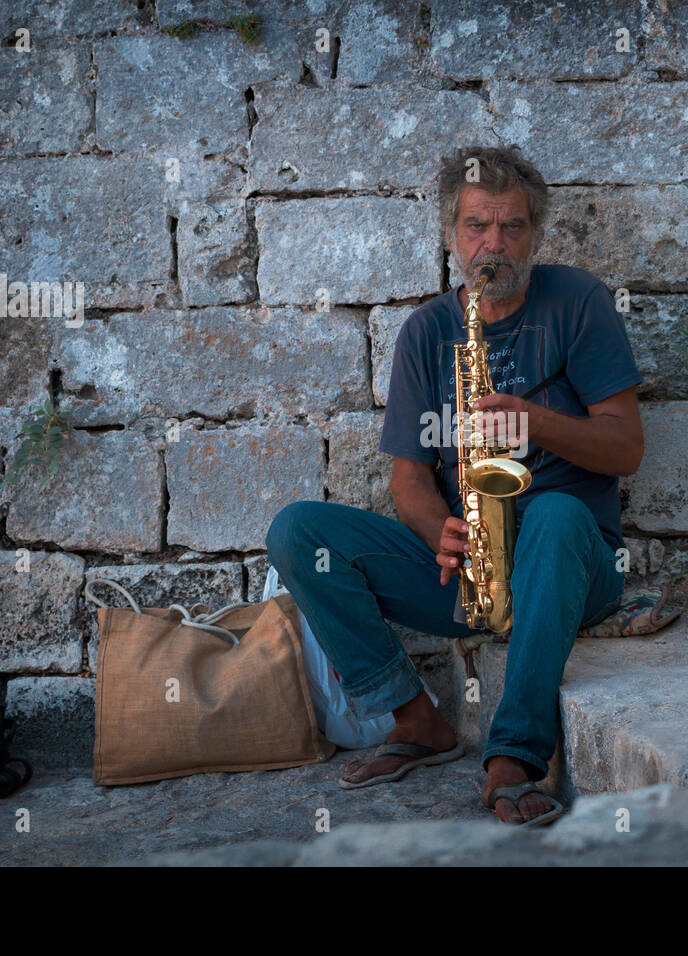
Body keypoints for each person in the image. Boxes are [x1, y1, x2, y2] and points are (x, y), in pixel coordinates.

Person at [265, 145, 644, 825]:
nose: (493, 244)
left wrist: (536, 421)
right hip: (475, 571)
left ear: (535, 233)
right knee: (299, 531)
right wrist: (438, 529)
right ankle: (417, 720)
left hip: (575, 561)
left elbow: (626, 447)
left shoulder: (578, 301)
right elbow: (408, 479)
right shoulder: (426, 332)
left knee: (555, 514)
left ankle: (514, 757)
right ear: (450, 235)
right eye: (476, 227)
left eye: (512, 227)